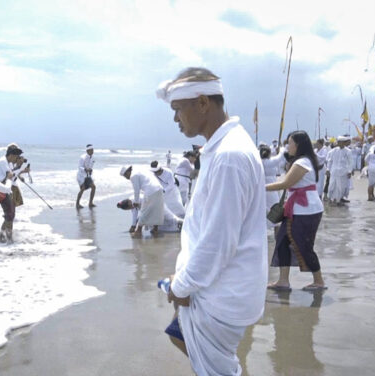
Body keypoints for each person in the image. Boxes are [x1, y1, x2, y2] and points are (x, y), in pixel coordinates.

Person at [156, 67, 267, 376]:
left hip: (220, 295)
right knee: (180, 336)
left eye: (178, 109)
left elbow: (218, 243)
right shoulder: (225, 148)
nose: (176, 119)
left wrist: (181, 286)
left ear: (203, 103)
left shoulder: (228, 157)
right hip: (218, 287)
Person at [266, 131, 326, 291]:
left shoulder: (302, 162)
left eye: (290, 143)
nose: (287, 146)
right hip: (297, 208)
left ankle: (319, 281)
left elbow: (284, 184)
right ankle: (283, 281)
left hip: (306, 210)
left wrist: (259, 187)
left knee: (303, 246)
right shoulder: (301, 161)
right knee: (282, 242)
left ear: (298, 145)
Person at [120, 165, 165, 235]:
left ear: (127, 172)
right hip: (159, 188)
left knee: (144, 211)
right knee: (156, 210)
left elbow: (136, 190)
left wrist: (136, 202)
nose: (127, 178)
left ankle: (138, 231)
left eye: (125, 176)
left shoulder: (133, 176)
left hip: (151, 191)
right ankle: (155, 229)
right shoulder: (140, 171)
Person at [0, 145, 23, 242]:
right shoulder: (3, 161)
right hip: (0, 190)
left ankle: (2, 237)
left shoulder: (7, 162)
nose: (16, 159)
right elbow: (10, 176)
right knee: (10, 214)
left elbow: (12, 177)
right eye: (16, 156)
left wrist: (18, 167)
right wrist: (18, 168)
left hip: (4, 189)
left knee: (10, 214)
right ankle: (8, 239)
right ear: (11, 155)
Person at [260, 144, 286, 236]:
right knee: (276, 212)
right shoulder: (269, 162)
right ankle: (277, 236)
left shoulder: (259, 162)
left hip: (263, 189)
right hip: (271, 189)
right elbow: (280, 157)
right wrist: (281, 149)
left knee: (263, 212)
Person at [116, 198, 182, 233]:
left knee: (171, 218)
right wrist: (133, 226)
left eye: (130, 208)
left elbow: (145, 214)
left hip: (159, 206)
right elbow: (135, 214)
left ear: (129, 204)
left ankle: (184, 223)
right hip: (150, 210)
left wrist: (138, 229)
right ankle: (176, 228)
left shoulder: (138, 199)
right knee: (161, 228)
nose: (131, 208)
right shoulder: (131, 202)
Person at [326, 136, 352, 206]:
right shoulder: (333, 151)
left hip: (343, 172)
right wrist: (328, 169)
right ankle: (331, 198)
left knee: (341, 186)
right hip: (334, 171)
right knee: (332, 185)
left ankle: (338, 200)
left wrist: (349, 171)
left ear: (344, 143)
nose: (339, 143)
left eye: (341, 142)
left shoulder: (348, 151)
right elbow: (330, 161)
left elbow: (350, 162)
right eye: (338, 142)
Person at [76, 144, 96, 209]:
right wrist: (85, 169)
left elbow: (91, 166)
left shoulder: (92, 157)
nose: (92, 151)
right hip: (81, 176)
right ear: (87, 151)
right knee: (82, 189)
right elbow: (79, 167)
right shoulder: (82, 157)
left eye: (93, 150)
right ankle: (77, 204)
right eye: (91, 150)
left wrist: (90, 170)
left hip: (88, 176)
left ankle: (90, 203)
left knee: (93, 187)